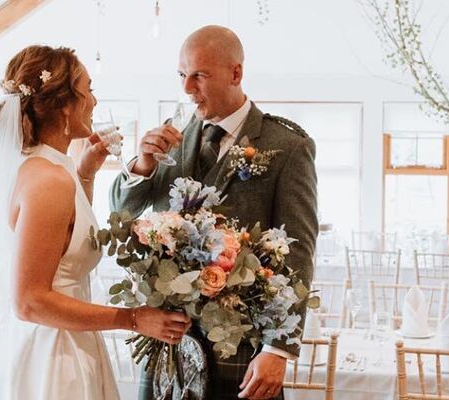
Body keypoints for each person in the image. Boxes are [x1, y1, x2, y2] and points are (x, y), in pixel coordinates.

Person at [0, 45, 191, 400]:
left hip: (65, 338)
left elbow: (67, 235)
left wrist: (86, 172)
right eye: (88, 90)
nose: (95, 102)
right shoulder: (48, 179)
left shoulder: (49, 166)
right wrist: (133, 319)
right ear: (66, 105)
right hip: (52, 357)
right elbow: (29, 302)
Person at [110, 26, 318, 400]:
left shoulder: (287, 146)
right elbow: (124, 214)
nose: (187, 88)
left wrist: (279, 348)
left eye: (199, 76)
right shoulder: (172, 137)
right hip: (168, 345)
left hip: (240, 351)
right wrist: (141, 165)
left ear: (235, 73)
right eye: (182, 75)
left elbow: (298, 252)